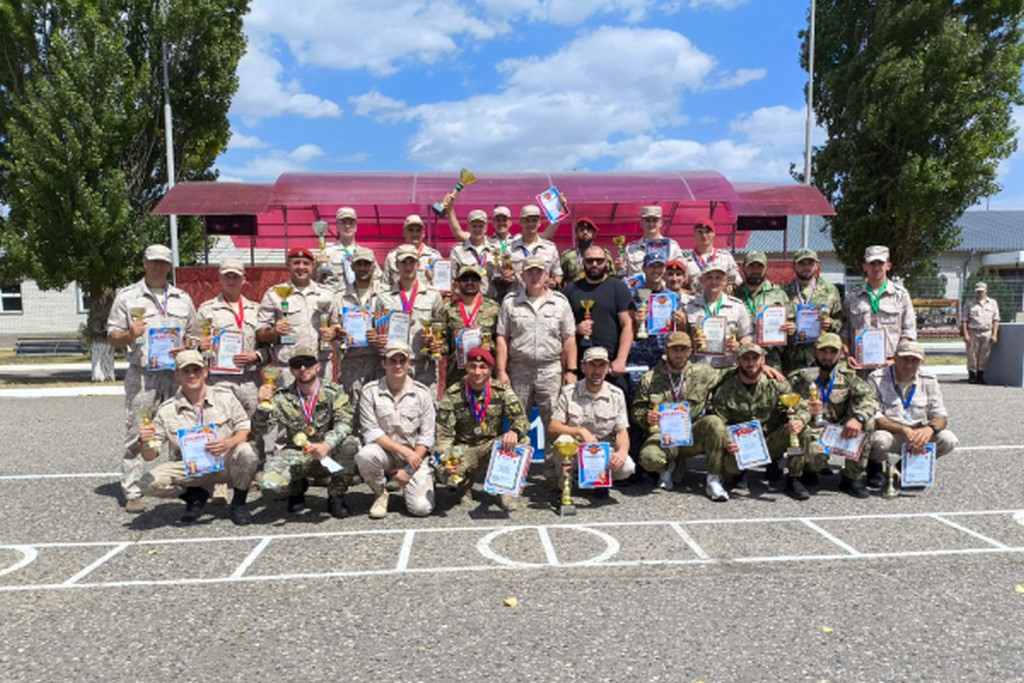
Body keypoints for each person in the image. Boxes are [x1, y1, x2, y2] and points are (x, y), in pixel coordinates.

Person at [106, 243, 197, 513]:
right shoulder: (127, 297)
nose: (159, 266)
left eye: (164, 262)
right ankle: (133, 490)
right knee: (138, 432)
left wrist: (188, 346)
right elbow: (112, 337)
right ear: (144, 263)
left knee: (181, 431)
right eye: (154, 261)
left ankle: (182, 486)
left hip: (177, 374)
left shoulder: (182, 298)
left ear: (169, 266)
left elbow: (193, 335)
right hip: (143, 376)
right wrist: (130, 334)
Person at [137, 350, 259, 525]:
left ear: (206, 371)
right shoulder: (167, 410)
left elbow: (246, 429)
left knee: (248, 452)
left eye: (196, 370)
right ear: (177, 374)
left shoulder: (225, 398)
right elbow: (150, 455)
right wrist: (145, 442)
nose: (192, 375)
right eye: (186, 371)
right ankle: (194, 496)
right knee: (146, 483)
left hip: (224, 463)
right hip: (190, 469)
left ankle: (239, 503)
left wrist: (228, 443)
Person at [253, 346, 360, 518]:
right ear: (292, 370)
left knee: (350, 444)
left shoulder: (334, 392)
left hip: (328, 452)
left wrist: (326, 445)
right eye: (297, 364)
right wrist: (262, 406)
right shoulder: (282, 397)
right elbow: (260, 430)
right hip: (298, 454)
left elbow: (345, 423)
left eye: (308, 363)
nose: (303, 369)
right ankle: (297, 489)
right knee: (270, 486)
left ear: (318, 366)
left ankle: (336, 495)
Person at [706, 343, 815, 500]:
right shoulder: (726, 390)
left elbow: (801, 408)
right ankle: (740, 472)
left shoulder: (777, 385)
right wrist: (727, 442)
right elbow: (720, 422)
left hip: (770, 441)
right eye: (746, 359)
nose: (751, 363)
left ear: (763, 360)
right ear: (738, 361)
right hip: (740, 446)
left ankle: (794, 478)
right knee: (730, 470)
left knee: (801, 431)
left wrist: (799, 421)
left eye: (755, 358)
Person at [434, 347, 530, 510]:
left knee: (522, 441)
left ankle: (504, 490)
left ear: (490, 370)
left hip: (491, 446)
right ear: (466, 367)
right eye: (473, 366)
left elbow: (520, 419)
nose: (477, 372)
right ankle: (463, 488)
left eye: (483, 367)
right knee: (444, 467)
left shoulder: (501, 390)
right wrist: (447, 458)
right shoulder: (453, 393)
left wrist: (514, 431)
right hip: (464, 448)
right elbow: (444, 435)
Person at [786, 333, 878, 498]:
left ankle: (851, 478)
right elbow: (791, 408)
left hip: (840, 428)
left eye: (832, 352)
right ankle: (799, 474)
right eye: (823, 351)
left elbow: (869, 399)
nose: (827, 357)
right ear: (814, 352)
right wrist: (806, 412)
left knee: (868, 422)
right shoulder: (800, 378)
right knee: (798, 430)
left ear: (841, 353)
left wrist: (858, 418)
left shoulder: (848, 376)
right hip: (814, 430)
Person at [632, 331, 724, 494]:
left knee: (714, 423)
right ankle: (667, 467)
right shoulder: (650, 378)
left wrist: (764, 367)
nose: (679, 354)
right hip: (663, 434)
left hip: (692, 433)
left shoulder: (703, 373)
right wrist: (646, 417)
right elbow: (637, 409)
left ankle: (713, 479)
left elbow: (732, 374)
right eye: (675, 350)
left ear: (690, 351)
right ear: (666, 351)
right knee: (649, 459)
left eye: (683, 350)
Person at [495, 256, 577, 433]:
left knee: (555, 423)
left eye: (539, 272)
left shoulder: (560, 303)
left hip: (550, 370)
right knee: (516, 422)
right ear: (522, 276)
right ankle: (516, 460)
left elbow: (569, 338)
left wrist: (571, 371)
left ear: (546, 275)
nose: (535, 277)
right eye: (530, 273)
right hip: (519, 369)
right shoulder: (510, 302)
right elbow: (502, 337)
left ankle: (554, 462)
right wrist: (501, 371)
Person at [355, 342, 437, 519]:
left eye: (402, 360)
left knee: (422, 509)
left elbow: (427, 436)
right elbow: (371, 431)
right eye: (393, 361)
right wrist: (403, 451)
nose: (398, 365)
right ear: (384, 363)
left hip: (416, 456)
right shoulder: (370, 391)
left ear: (409, 363)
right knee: (365, 455)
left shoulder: (422, 393)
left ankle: (414, 482)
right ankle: (381, 494)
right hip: (386, 453)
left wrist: (408, 469)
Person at [867, 340, 958, 488]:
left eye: (914, 360)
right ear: (894, 358)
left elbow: (940, 415)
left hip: (917, 434)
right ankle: (875, 466)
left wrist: (929, 430)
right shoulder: (876, 378)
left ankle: (905, 465)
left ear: (922, 361)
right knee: (879, 441)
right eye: (904, 359)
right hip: (891, 433)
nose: (909, 365)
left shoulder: (929, 380)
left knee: (948, 440)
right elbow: (875, 416)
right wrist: (903, 429)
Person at [548, 346, 636, 494]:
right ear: (583, 367)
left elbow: (621, 431)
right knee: (563, 440)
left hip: (603, 453)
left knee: (627, 467)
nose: (597, 371)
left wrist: (622, 452)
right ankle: (568, 484)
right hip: (576, 450)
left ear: (608, 368)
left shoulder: (617, 394)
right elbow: (553, 427)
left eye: (602, 365)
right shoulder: (569, 392)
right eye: (592, 365)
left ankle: (601, 480)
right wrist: (580, 431)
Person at [256, 246, 338, 382]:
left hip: (319, 367)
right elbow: (260, 334)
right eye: (296, 263)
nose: (301, 267)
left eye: (306, 263)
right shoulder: (274, 294)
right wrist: (274, 331)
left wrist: (333, 332)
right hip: (287, 369)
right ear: (288, 265)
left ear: (313, 266)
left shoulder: (327, 294)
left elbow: (336, 324)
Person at [373, 244, 445, 395]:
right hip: (395, 365)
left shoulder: (433, 295)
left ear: (418, 265)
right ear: (396, 265)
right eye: (403, 262)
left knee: (425, 412)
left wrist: (435, 339)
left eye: (412, 262)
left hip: (423, 366)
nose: (408, 266)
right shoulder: (383, 297)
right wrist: (377, 338)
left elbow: (442, 328)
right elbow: (376, 328)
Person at [562, 244, 633, 396]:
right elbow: (561, 329)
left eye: (599, 261)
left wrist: (621, 359)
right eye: (590, 261)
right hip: (581, 367)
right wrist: (576, 328)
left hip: (611, 367)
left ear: (607, 262)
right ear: (583, 262)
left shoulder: (618, 287)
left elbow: (628, 325)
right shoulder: (571, 290)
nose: (594, 264)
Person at [196, 258, 263, 415]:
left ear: (244, 280)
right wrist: (200, 346)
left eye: (236, 277)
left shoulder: (257, 310)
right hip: (219, 382)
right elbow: (192, 342)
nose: (231, 281)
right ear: (219, 278)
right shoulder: (207, 309)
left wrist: (257, 355)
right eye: (227, 276)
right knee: (222, 427)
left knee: (254, 433)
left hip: (250, 381)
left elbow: (268, 347)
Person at [842, 245, 916, 372]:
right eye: (872, 263)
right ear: (864, 266)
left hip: (892, 365)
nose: (876, 268)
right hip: (860, 367)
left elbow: (908, 331)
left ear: (888, 266)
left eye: (880, 263)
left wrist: (896, 359)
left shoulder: (900, 295)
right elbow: (845, 332)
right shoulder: (852, 297)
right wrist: (848, 356)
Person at [334, 247, 385, 409]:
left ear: (374, 266)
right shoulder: (340, 296)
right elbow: (333, 324)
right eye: (358, 264)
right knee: (352, 412)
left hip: (379, 363)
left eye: (366, 264)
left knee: (380, 410)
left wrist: (380, 334)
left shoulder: (386, 294)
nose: (362, 268)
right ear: (352, 266)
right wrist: (338, 332)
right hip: (351, 363)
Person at [436, 265, 500, 390]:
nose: (470, 282)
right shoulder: (447, 310)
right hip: (456, 375)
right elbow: (443, 343)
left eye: (474, 279)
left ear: (481, 283)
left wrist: (490, 347)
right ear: (457, 283)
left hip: (484, 373)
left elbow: (501, 340)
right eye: (465, 279)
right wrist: (436, 345)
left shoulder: (494, 308)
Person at [781, 247, 844, 374]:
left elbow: (841, 321)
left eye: (810, 263)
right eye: (802, 263)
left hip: (823, 359)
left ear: (816, 265)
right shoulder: (782, 291)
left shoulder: (830, 291)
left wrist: (831, 323)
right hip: (792, 360)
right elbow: (775, 325)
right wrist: (786, 328)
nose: (806, 267)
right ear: (794, 266)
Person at [683, 263, 753, 370]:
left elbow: (747, 335)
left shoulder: (737, 306)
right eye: (709, 278)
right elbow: (681, 336)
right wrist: (691, 343)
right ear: (702, 281)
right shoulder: (689, 307)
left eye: (718, 278)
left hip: (728, 369)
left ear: (725, 281)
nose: (714, 282)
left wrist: (739, 345)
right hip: (698, 369)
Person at [737, 251, 793, 371]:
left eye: (759, 266)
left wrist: (792, 327)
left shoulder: (779, 294)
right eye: (751, 266)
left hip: (771, 357)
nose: (755, 270)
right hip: (743, 358)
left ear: (766, 268)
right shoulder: (734, 295)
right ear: (743, 268)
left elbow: (792, 322)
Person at [318, 206, 380, 290]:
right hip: (336, 300)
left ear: (356, 226)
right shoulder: (328, 252)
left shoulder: (366, 253)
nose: (347, 226)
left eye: (351, 223)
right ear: (337, 226)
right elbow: (316, 280)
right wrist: (316, 266)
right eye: (343, 223)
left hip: (360, 300)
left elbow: (377, 278)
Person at [505, 205, 563, 290]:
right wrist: (506, 276)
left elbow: (558, 274)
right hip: (517, 299)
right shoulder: (510, 248)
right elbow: (505, 274)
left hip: (543, 298)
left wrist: (555, 282)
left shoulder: (550, 248)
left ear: (539, 223)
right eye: (527, 220)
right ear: (520, 222)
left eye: (534, 220)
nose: (531, 224)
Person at [616, 205, 684, 277]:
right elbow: (623, 275)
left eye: (655, 220)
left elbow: (681, 273)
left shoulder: (672, 247)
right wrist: (619, 269)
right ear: (641, 222)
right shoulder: (630, 249)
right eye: (647, 220)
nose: (651, 224)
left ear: (661, 222)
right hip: (638, 287)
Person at [382, 214, 443, 289]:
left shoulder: (434, 257)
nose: (415, 234)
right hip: (398, 299)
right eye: (411, 230)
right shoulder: (392, 257)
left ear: (423, 234)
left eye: (418, 230)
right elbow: (385, 286)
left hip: (427, 300)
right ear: (404, 233)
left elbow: (443, 286)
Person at [448, 209, 499, 298]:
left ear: (486, 228)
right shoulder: (458, 251)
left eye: (480, 226)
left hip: (491, 302)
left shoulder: (496, 249)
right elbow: (453, 279)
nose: (477, 229)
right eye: (474, 226)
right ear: (468, 227)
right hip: (467, 301)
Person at [681, 218, 740, 292]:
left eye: (708, 232)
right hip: (696, 301)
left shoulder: (725, 257)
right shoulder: (686, 261)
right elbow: (680, 285)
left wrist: (731, 285)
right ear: (694, 234)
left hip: (721, 300)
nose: (704, 235)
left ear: (714, 234)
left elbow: (737, 280)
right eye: (700, 232)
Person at [961, 281, 1000, 383]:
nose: (979, 294)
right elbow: (964, 320)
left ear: (986, 291)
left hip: (987, 331)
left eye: (981, 291)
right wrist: (965, 334)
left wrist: (995, 334)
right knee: (972, 355)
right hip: (973, 331)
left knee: (984, 355)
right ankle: (972, 375)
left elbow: (996, 320)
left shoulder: (992, 303)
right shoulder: (969, 304)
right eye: (978, 292)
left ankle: (980, 376)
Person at [560, 217, 613, 284]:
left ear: (594, 234)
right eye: (581, 230)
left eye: (589, 230)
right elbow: (561, 278)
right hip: (576, 291)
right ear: (576, 234)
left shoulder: (604, 254)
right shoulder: (567, 256)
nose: (585, 232)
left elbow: (612, 276)